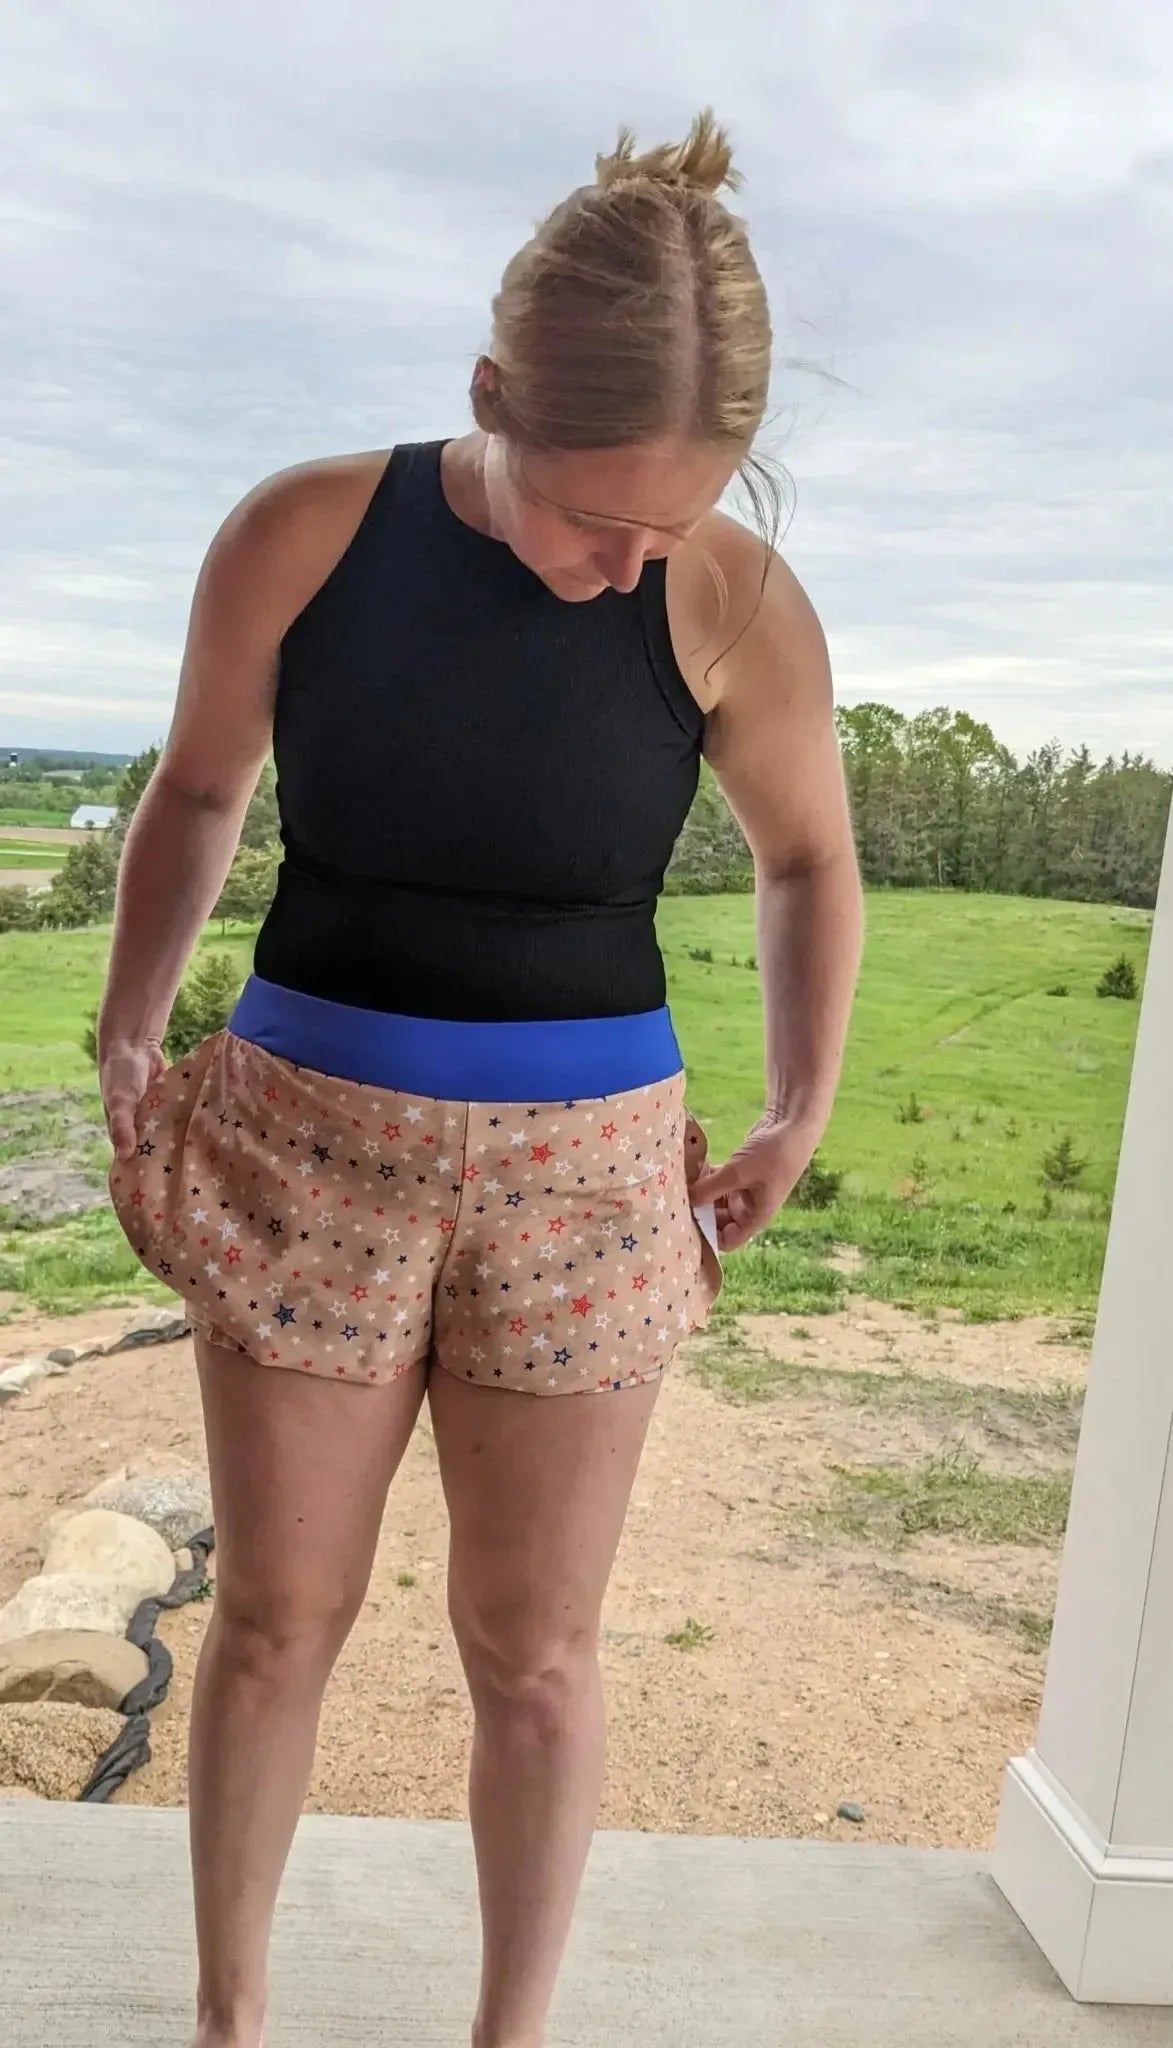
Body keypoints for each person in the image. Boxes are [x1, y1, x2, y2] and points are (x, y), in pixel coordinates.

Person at [100, 110, 862, 2048]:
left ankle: (511, 2033)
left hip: (591, 1178)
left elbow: (803, 857)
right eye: (589, 516)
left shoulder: (735, 606)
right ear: (487, 394)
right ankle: (229, 2019)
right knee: (276, 1620)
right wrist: (126, 1021)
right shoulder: (302, 528)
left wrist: (797, 1099)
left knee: (532, 1652)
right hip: (302, 1145)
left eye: (662, 531)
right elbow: (201, 789)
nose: (617, 570)